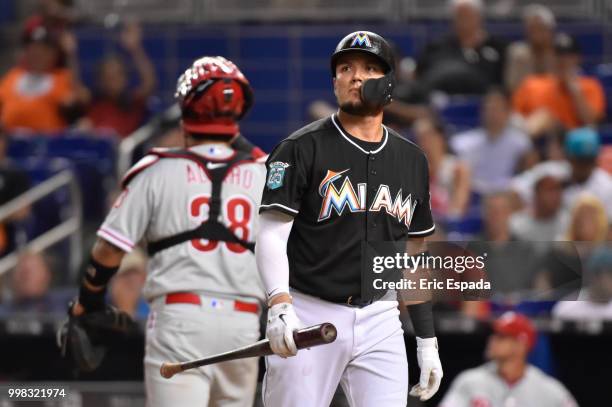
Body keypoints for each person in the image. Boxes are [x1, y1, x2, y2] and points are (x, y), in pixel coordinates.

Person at [256, 31, 443, 406]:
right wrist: (279, 304)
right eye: (346, 68)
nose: (356, 76)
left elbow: (413, 256)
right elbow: (271, 235)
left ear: (388, 83)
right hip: (309, 310)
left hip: (381, 316)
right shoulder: (299, 148)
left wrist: (426, 340)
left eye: (369, 68)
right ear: (334, 82)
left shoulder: (412, 160)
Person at [70, 56, 266, 406]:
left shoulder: (156, 169)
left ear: (186, 109)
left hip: (181, 319)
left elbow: (109, 251)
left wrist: (89, 303)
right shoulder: (265, 171)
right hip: (244, 324)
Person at [439, 312, 578, 407]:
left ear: (521, 345)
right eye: (494, 335)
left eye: (501, 337)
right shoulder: (470, 381)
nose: (492, 340)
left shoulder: (549, 390)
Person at [0, 19, 89, 133]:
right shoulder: (13, 76)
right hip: (10, 143)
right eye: (33, 48)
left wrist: (71, 55)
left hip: (47, 145)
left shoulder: (62, 78)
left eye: (44, 50)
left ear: (54, 54)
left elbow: (80, 102)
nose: (38, 54)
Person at [513, 33, 606, 131]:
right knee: (544, 116)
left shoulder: (590, 85)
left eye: (568, 55)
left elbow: (591, 122)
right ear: (551, 58)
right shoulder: (532, 84)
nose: (562, 60)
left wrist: (575, 91)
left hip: (574, 140)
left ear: (578, 58)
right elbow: (514, 118)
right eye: (558, 55)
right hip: (538, 140)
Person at [451, 88, 532, 195]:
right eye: (489, 109)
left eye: (497, 109)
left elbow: (527, 175)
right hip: (473, 194)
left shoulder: (521, 142)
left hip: (506, 194)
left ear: (508, 112)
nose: (492, 114)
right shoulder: (463, 142)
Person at [415, 0, 507, 94]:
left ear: (479, 18)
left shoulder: (496, 47)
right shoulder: (438, 47)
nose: (463, 23)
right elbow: (424, 72)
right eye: (459, 17)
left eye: (468, 17)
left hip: (484, 100)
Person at [85, 22, 156, 138]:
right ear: (101, 80)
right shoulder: (95, 104)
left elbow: (149, 83)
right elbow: (76, 91)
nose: (113, 81)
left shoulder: (132, 102)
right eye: (108, 77)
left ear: (125, 78)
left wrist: (136, 49)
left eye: (117, 76)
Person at [413, 114, 471, 220]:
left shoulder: (458, 168)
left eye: (428, 136)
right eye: (420, 138)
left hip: (445, 225)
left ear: (441, 137)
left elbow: (458, 209)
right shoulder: (413, 171)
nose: (424, 142)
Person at [505, 4, 557, 91]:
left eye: (540, 28)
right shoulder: (518, 54)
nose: (536, 35)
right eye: (532, 29)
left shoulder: (560, 53)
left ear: (550, 30)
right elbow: (512, 85)